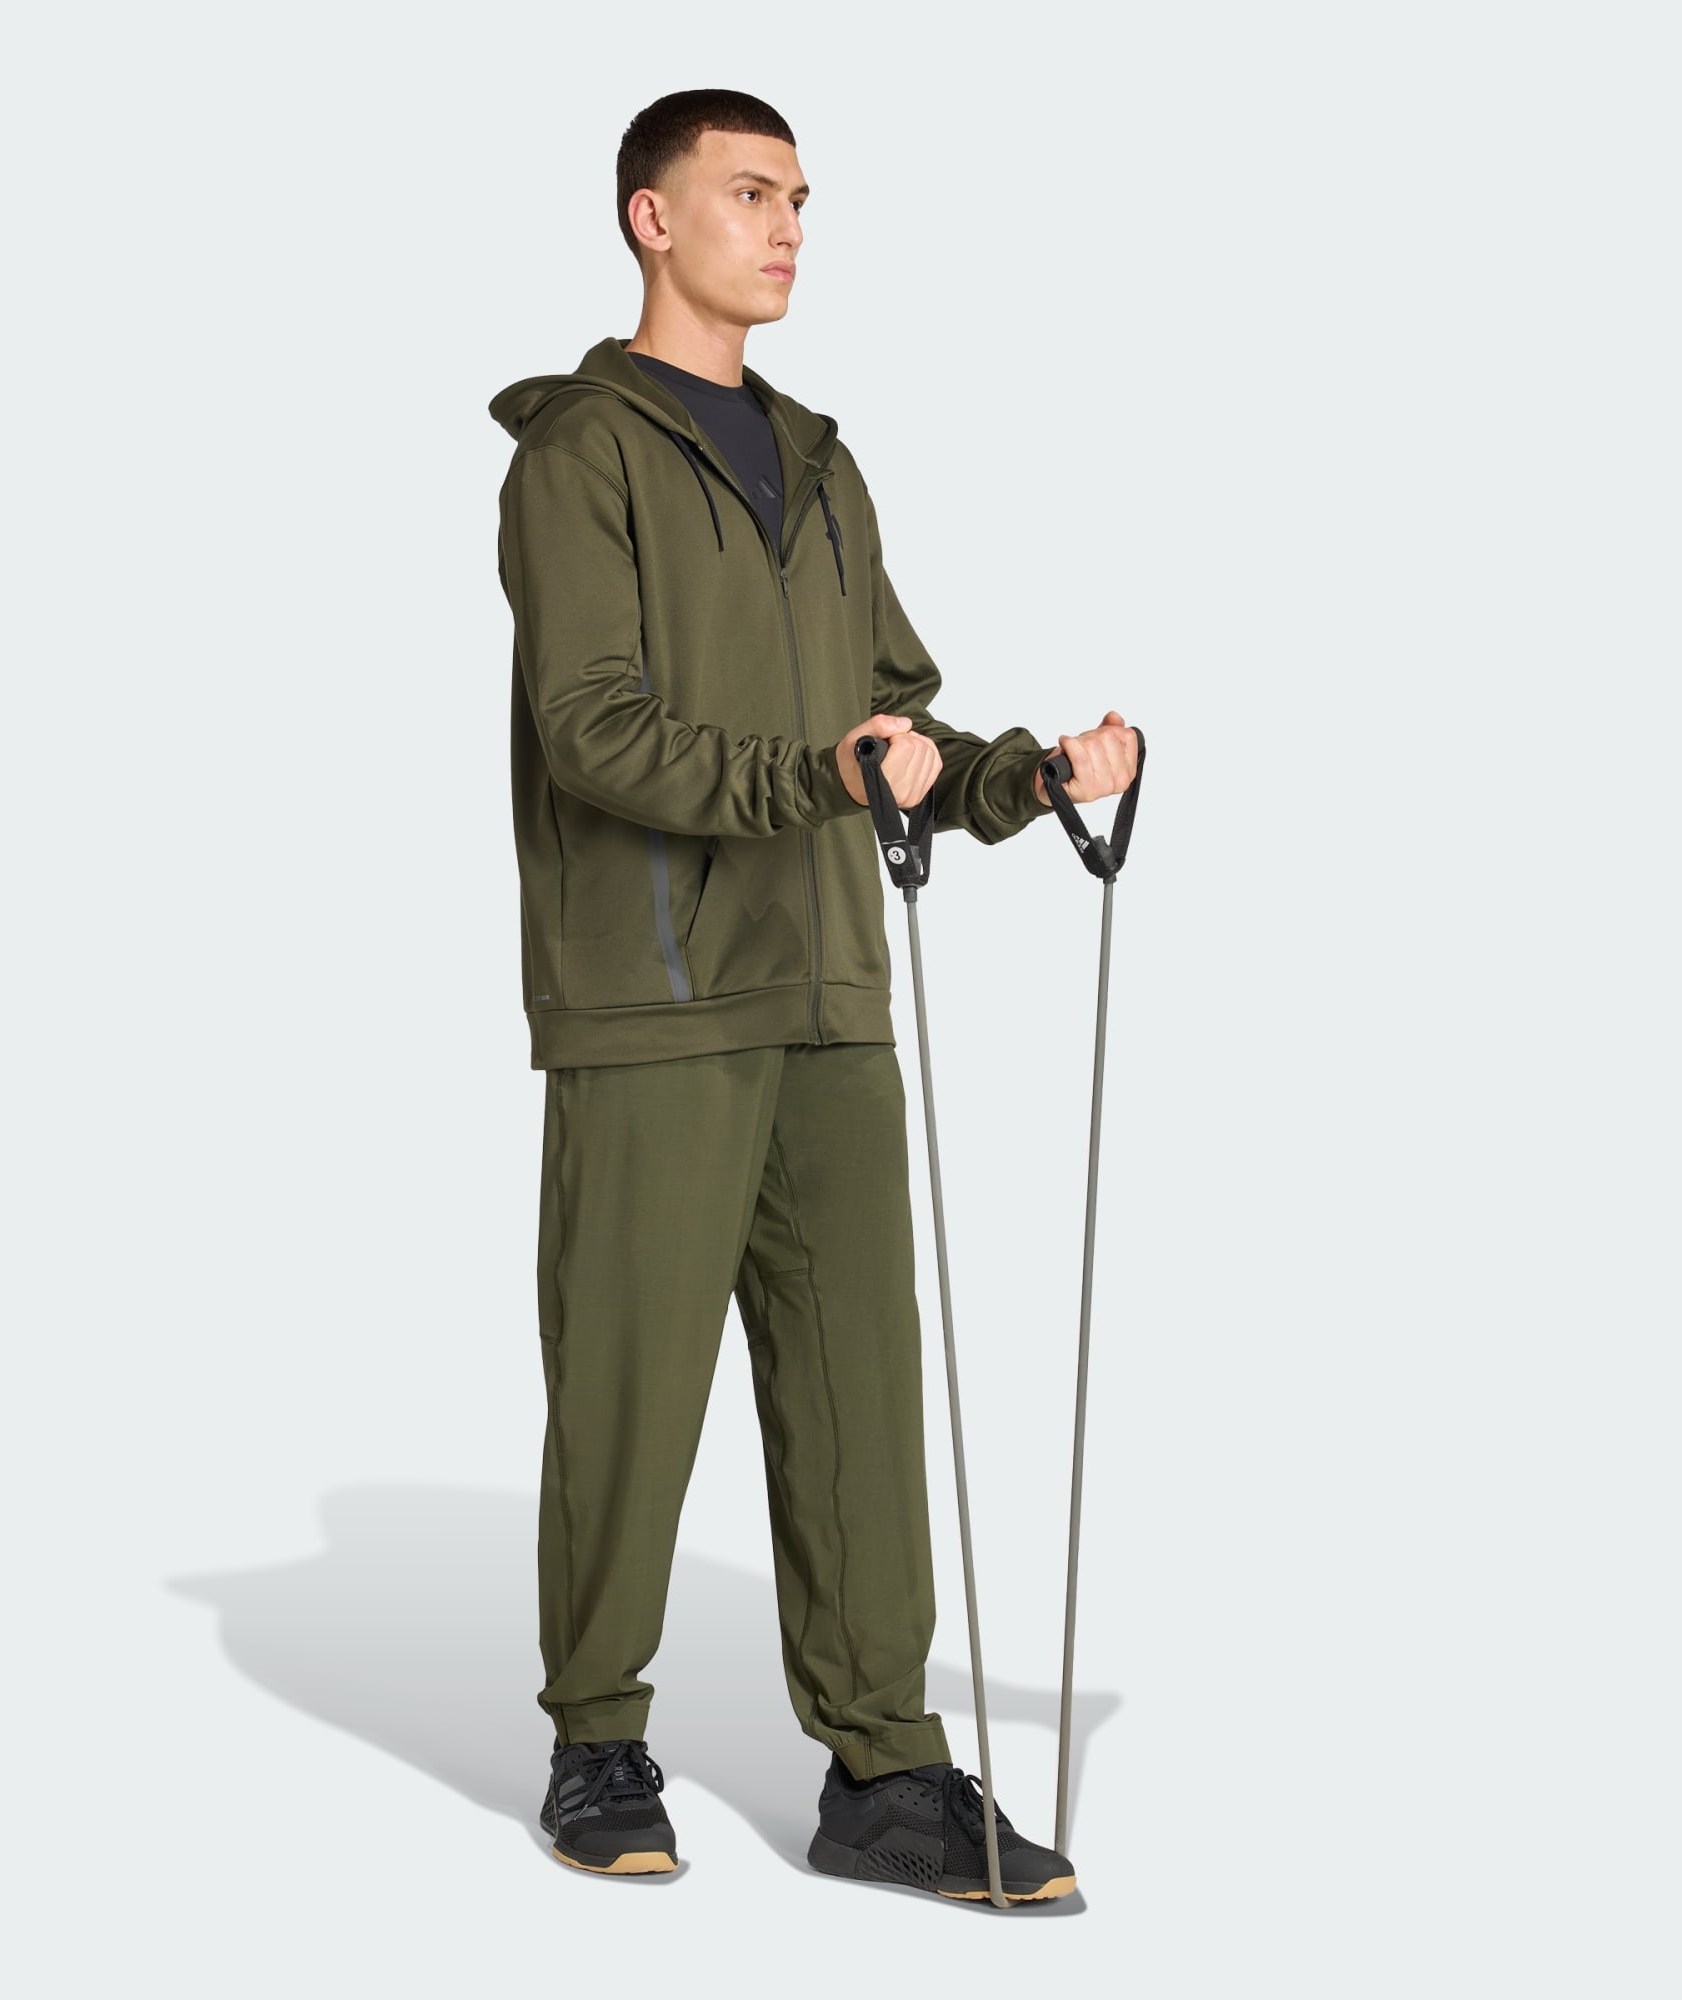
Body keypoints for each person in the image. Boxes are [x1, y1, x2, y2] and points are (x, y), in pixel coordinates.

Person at [488, 87, 1139, 1904]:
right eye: (750, 193)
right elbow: (593, 730)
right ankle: (596, 1739)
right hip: (654, 996)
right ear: (651, 216)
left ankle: (887, 1773)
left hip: (833, 984)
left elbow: (888, 715)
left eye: (800, 200)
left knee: (861, 1388)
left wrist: (1024, 780)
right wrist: (820, 779)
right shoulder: (580, 456)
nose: (786, 228)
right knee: (629, 1386)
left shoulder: (824, 462)